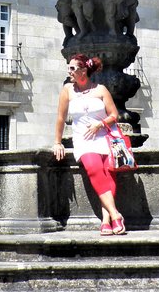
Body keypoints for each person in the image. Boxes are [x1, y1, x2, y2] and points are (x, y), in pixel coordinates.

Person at [52, 53, 125, 235]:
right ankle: (116, 214)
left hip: (105, 137)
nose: (69, 71)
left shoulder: (101, 90)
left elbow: (114, 115)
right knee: (93, 167)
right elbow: (61, 118)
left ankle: (106, 220)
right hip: (83, 140)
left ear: (83, 71)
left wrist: (100, 124)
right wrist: (57, 142)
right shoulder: (67, 90)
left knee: (109, 173)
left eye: (72, 68)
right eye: (69, 67)